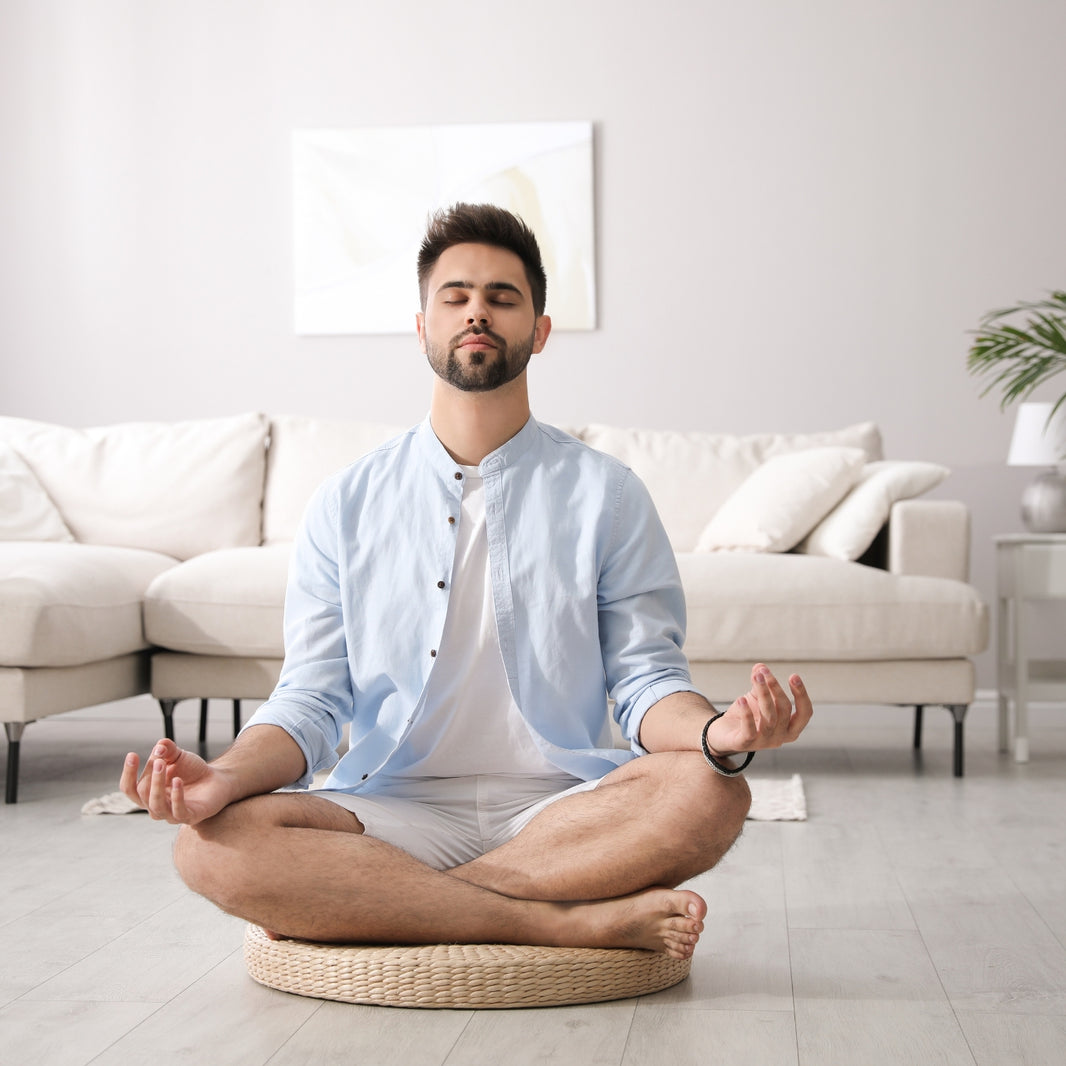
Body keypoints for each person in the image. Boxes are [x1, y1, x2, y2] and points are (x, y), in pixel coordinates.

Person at [121, 203, 812, 960]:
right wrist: (220, 779)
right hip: (388, 809)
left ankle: (381, 903)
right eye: (454, 296)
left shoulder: (609, 494)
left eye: (502, 296)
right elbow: (312, 700)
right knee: (208, 845)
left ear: (539, 331)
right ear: (421, 326)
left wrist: (720, 733)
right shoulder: (345, 502)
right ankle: (553, 922)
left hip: (562, 811)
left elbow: (645, 681)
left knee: (714, 790)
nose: (476, 310)